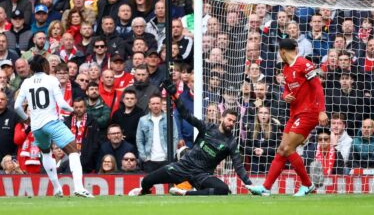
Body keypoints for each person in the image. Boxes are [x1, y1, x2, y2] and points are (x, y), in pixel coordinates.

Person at [128, 79, 253, 196]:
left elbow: (238, 166)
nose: (231, 123)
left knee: (223, 190)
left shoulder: (231, 142)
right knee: (146, 180)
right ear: (222, 118)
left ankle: (185, 193)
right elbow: (186, 115)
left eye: (233, 122)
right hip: (182, 167)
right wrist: (175, 96)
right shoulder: (207, 127)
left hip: (202, 175)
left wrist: (250, 185)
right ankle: (143, 191)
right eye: (229, 119)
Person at [246, 38, 328, 197]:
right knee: (282, 150)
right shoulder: (285, 69)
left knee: (288, 148)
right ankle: (266, 188)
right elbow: (286, 90)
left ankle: (307, 184)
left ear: (282, 51)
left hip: (309, 113)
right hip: (295, 113)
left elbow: (317, 86)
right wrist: (285, 97)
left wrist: (322, 110)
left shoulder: (305, 64)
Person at [14, 55, 93, 197]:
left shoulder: (26, 82)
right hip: (52, 122)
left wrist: (27, 120)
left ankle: (57, 188)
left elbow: (17, 106)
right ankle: (79, 187)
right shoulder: (51, 80)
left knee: (45, 153)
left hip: (36, 127)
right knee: (74, 151)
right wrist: (73, 110)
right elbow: (62, 104)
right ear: (45, 66)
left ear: (31, 68)